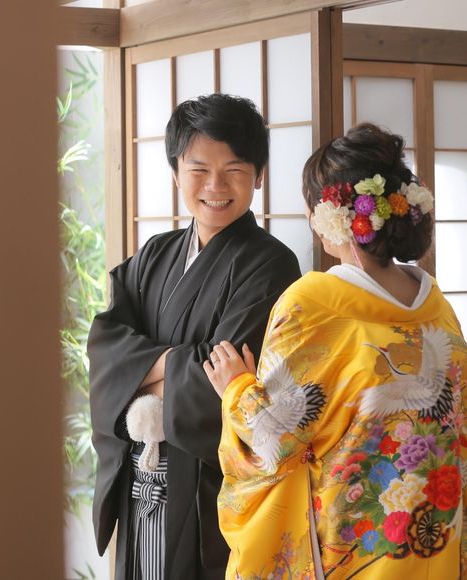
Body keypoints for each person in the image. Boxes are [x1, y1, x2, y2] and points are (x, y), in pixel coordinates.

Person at [204, 123, 467, 579]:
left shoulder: (314, 304)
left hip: (356, 541)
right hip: (435, 528)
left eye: (311, 207)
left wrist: (236, 387)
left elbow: (271, 439)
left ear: (332, 216)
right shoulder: (436, 305)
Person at [87, 93, 301, 580]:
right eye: (198, 169)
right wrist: (180, 362)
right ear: (175, 173)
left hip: (210, 489)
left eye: (234, 170)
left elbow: (228, 379)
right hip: (140, 475)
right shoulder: (156, 253)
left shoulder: (272, 264)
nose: (215, 186)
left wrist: (136, 370)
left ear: (259, 175)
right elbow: (103, 347)